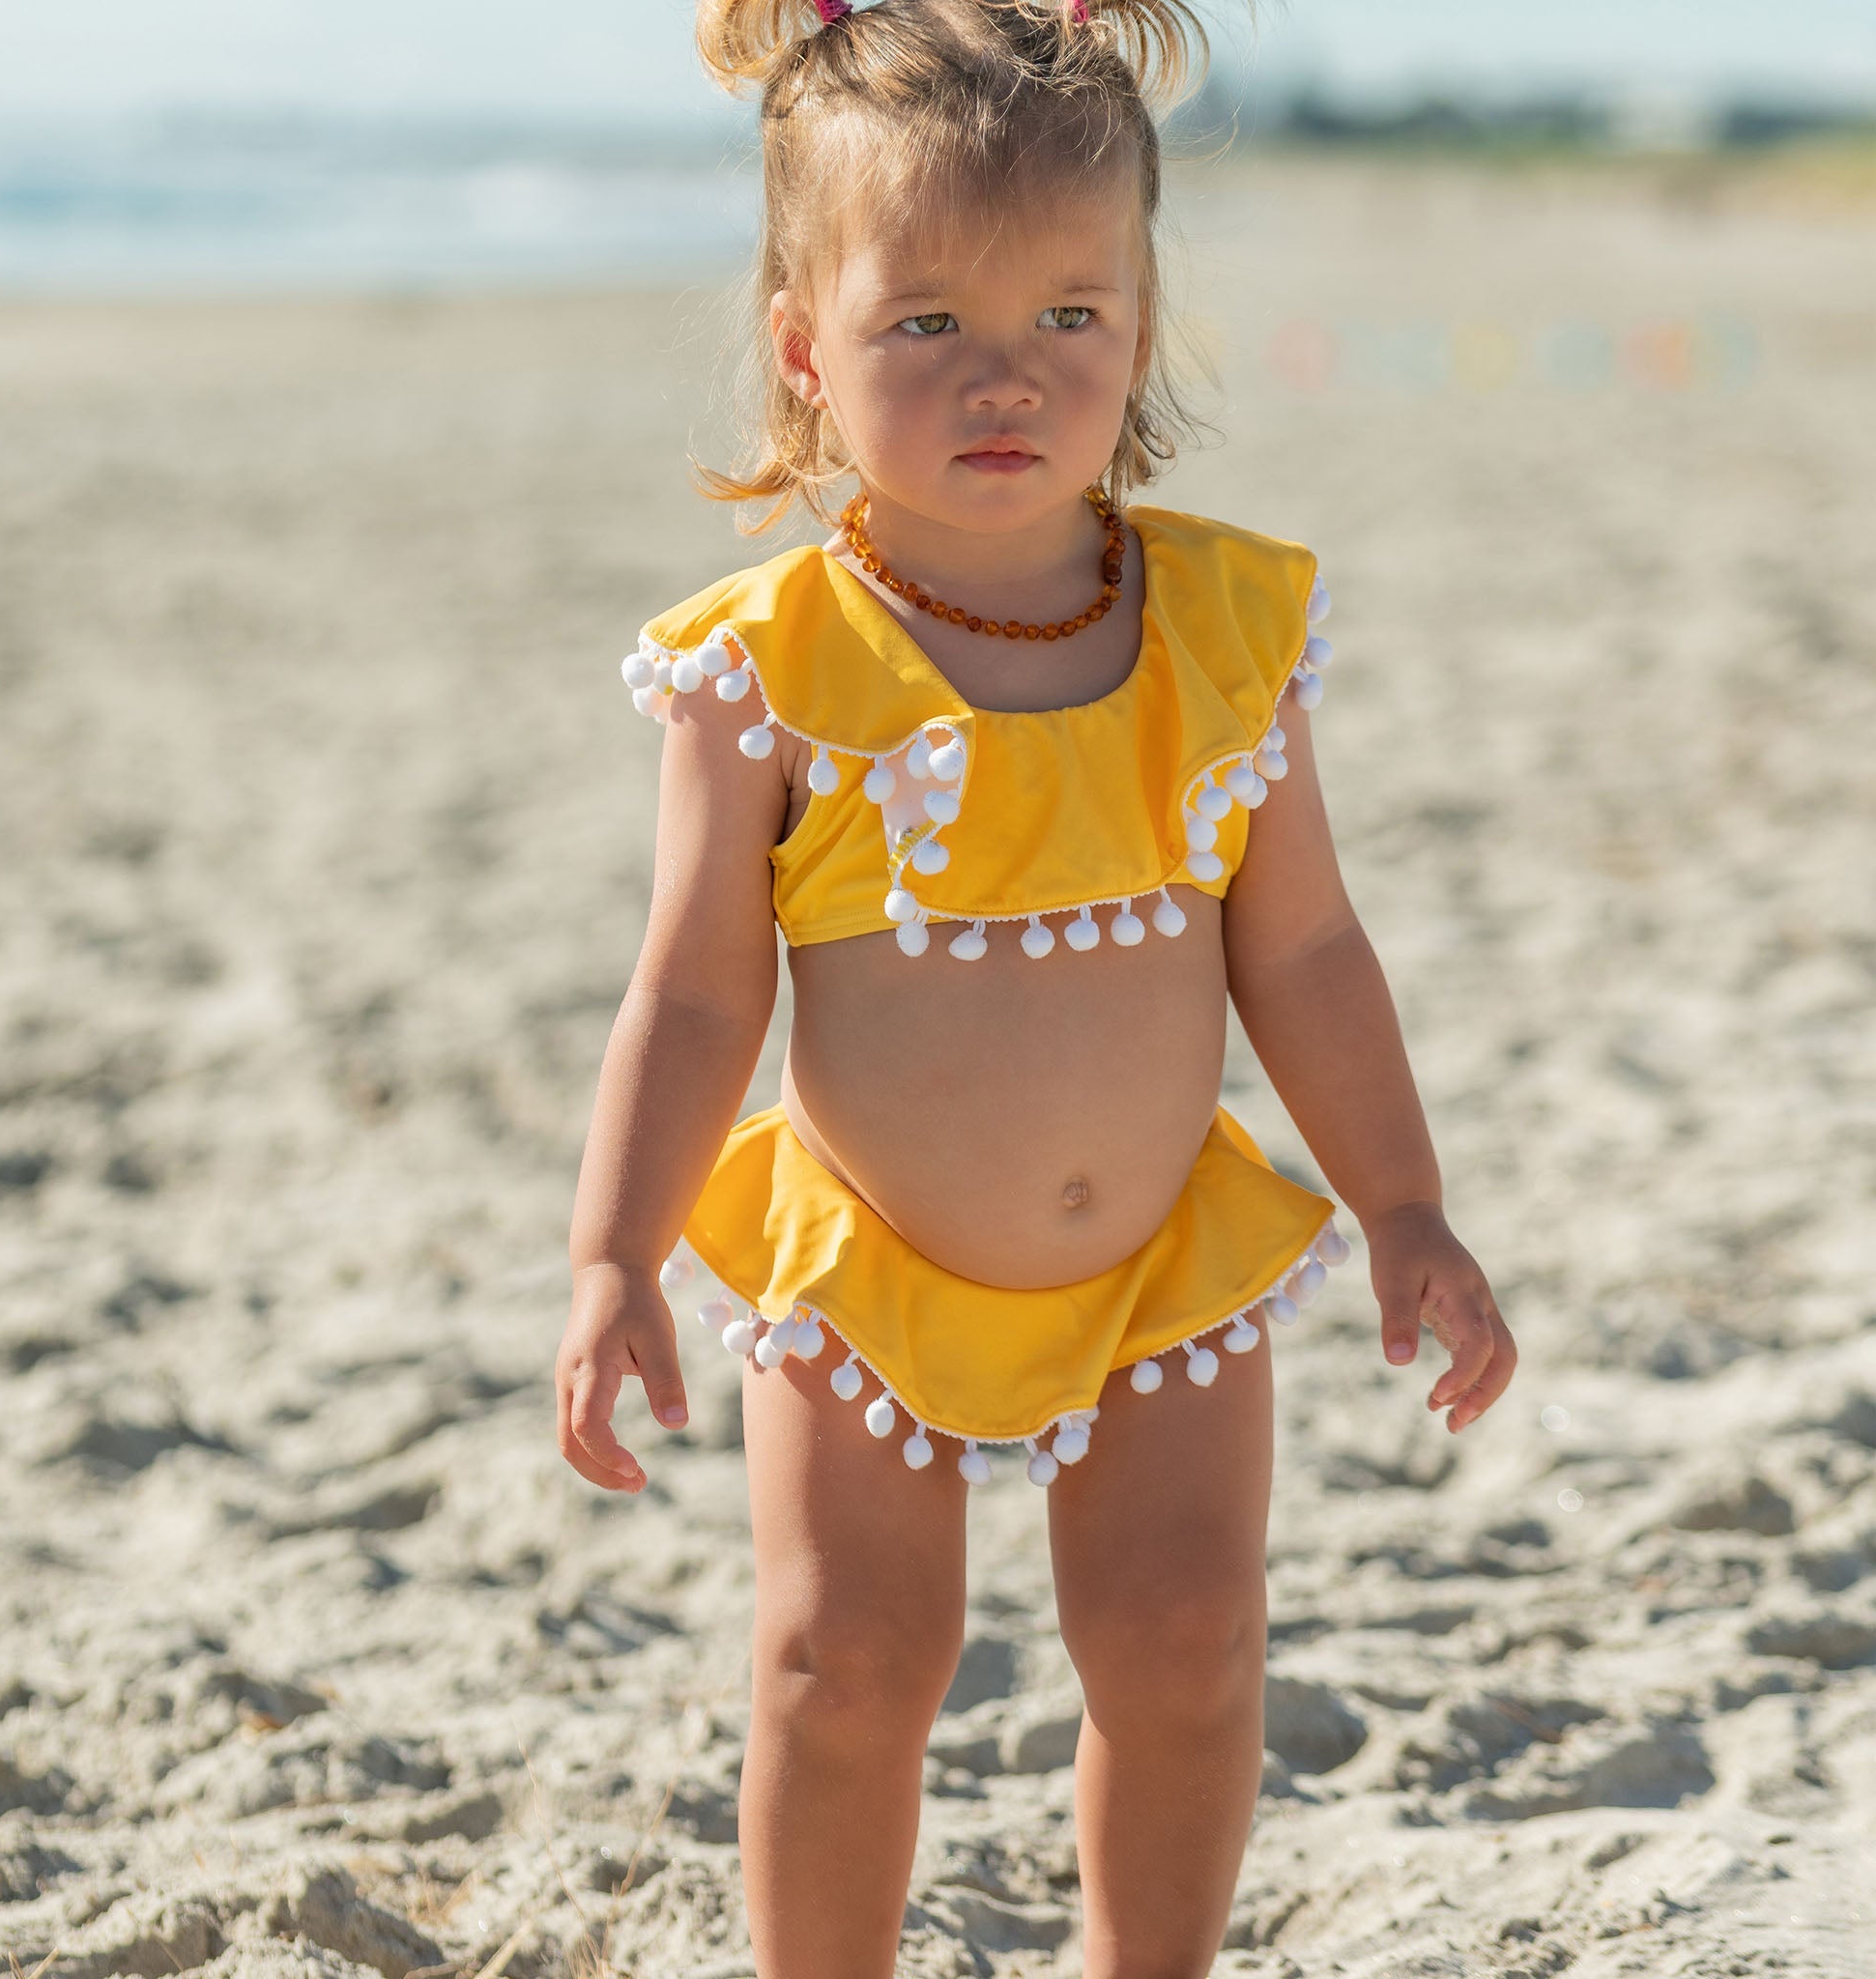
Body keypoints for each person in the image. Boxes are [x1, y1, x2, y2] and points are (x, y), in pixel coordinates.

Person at [554, 1, 1516, 1971]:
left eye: (1071, 315)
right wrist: (612, 1254)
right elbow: (694, 996)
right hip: (867, 1262)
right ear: (803, 348)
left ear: (1141, 328)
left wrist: (1404, 1204)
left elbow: (1306, 948)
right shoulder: (769, 671)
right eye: (926, 324)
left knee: (1186, 1641)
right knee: (842, 1661)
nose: (1007, 376)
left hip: (1162, 1259)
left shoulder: (1223, 629)